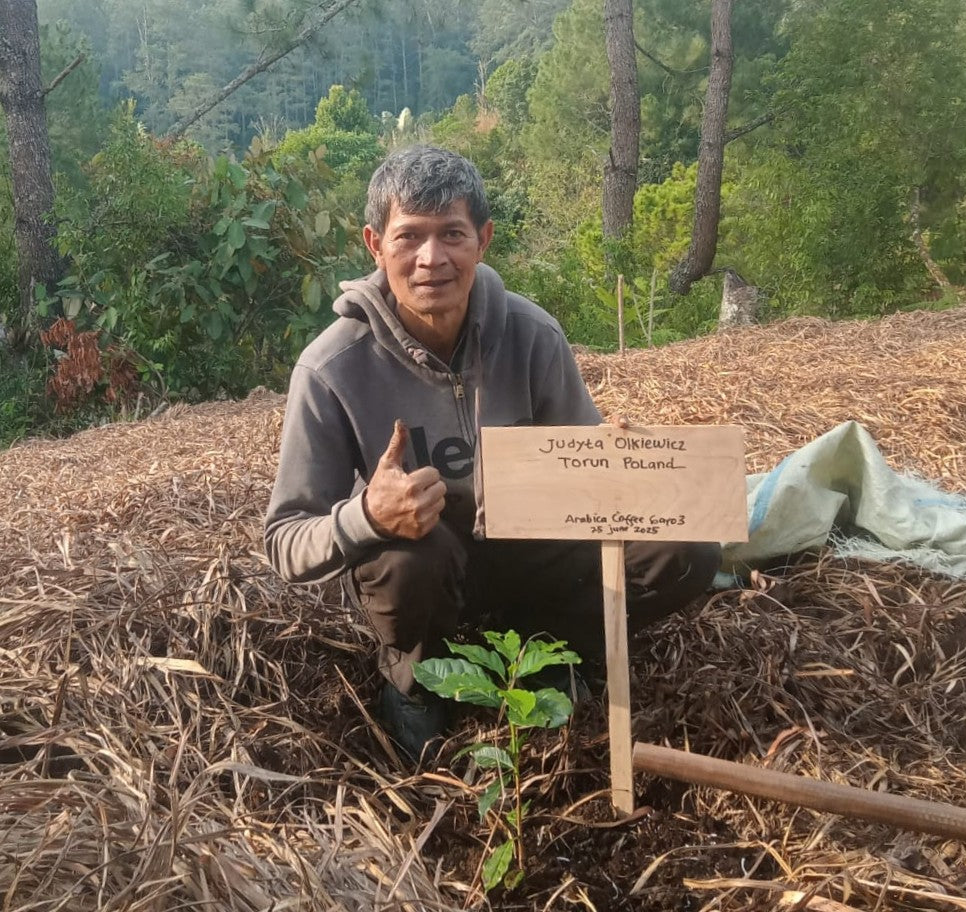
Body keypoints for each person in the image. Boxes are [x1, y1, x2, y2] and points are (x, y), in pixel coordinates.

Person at [264, 145, 721, 761]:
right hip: (432, 567)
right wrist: (367, 517)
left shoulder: (532, 335)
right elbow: (285, 539)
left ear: (483, 239)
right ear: (374, 245)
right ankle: (417, 683)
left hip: (533, 558)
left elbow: (594, 477)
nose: (432, 259)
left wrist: (625, 461)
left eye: (452, 234)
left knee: (685, 546)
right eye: (410, 237)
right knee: (405, 564)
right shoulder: (331, 368)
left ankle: (556, 653)